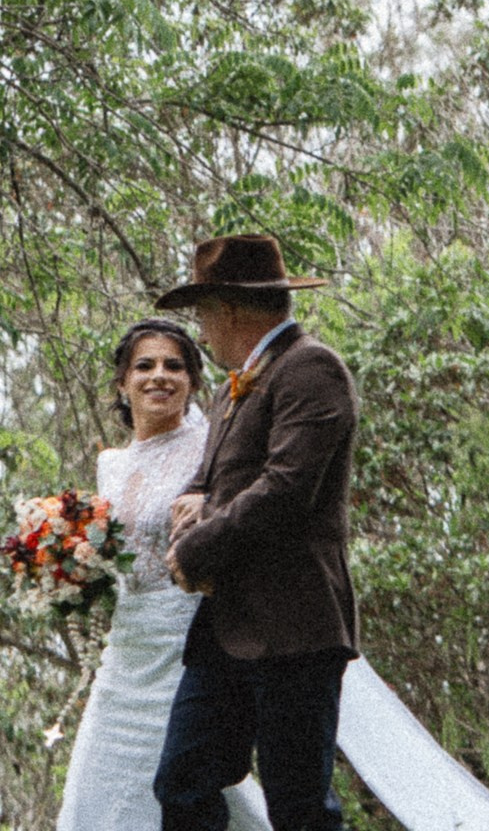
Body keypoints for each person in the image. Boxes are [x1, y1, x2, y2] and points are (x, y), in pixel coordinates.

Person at [153, 235, 359, 831]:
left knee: (298, 809)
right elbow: (208, 480)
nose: (202, 330)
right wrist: (192, 500)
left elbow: (286, 490)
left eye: (203, 314)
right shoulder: (229, 386)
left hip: (295, 627)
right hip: (225, 629)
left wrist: (197, 546)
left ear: (231, 309)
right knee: (182, 783)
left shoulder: (312, 368)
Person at [54, 320, 270, 831]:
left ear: (194, 381)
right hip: (126, 649)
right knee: (100, 779)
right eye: (144, 366)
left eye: (175, 366)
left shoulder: (209, 447)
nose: (159, 377)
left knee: (184, 778)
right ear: (122, 384)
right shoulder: (110, 464)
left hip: (189, 641)